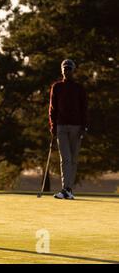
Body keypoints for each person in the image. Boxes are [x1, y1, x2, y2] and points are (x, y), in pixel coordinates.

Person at [49, 59, 88, 200]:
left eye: (69, 68)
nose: (67, 71)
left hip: (76, 127)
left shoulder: (79, 88)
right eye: (65, 68)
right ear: (62, 70)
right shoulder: (57, 87)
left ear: (73, 70)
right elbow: (52, 109)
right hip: (61, 126)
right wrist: (52, 126)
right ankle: (66, 189)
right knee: (65, 159)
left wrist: (84, 127)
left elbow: (84, 109)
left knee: (73, 160)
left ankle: (68, 190)